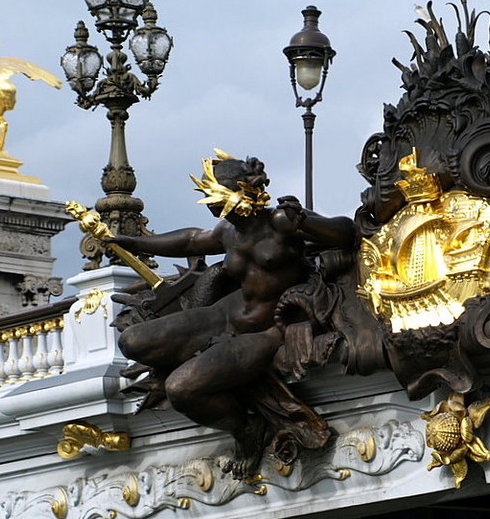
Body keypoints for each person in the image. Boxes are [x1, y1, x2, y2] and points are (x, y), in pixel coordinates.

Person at [107, 151, 356, 477]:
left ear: (240, 193)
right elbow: (191, 241)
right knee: (133, 341)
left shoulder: (280, 223)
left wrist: (307, 222)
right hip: (224, 315)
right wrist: (133, 242)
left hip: (268, 330)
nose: (210, 206)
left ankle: (246, 430)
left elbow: (346, 232)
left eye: (215, 198)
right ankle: (212, 368)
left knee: (181, 389)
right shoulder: (229, 231)